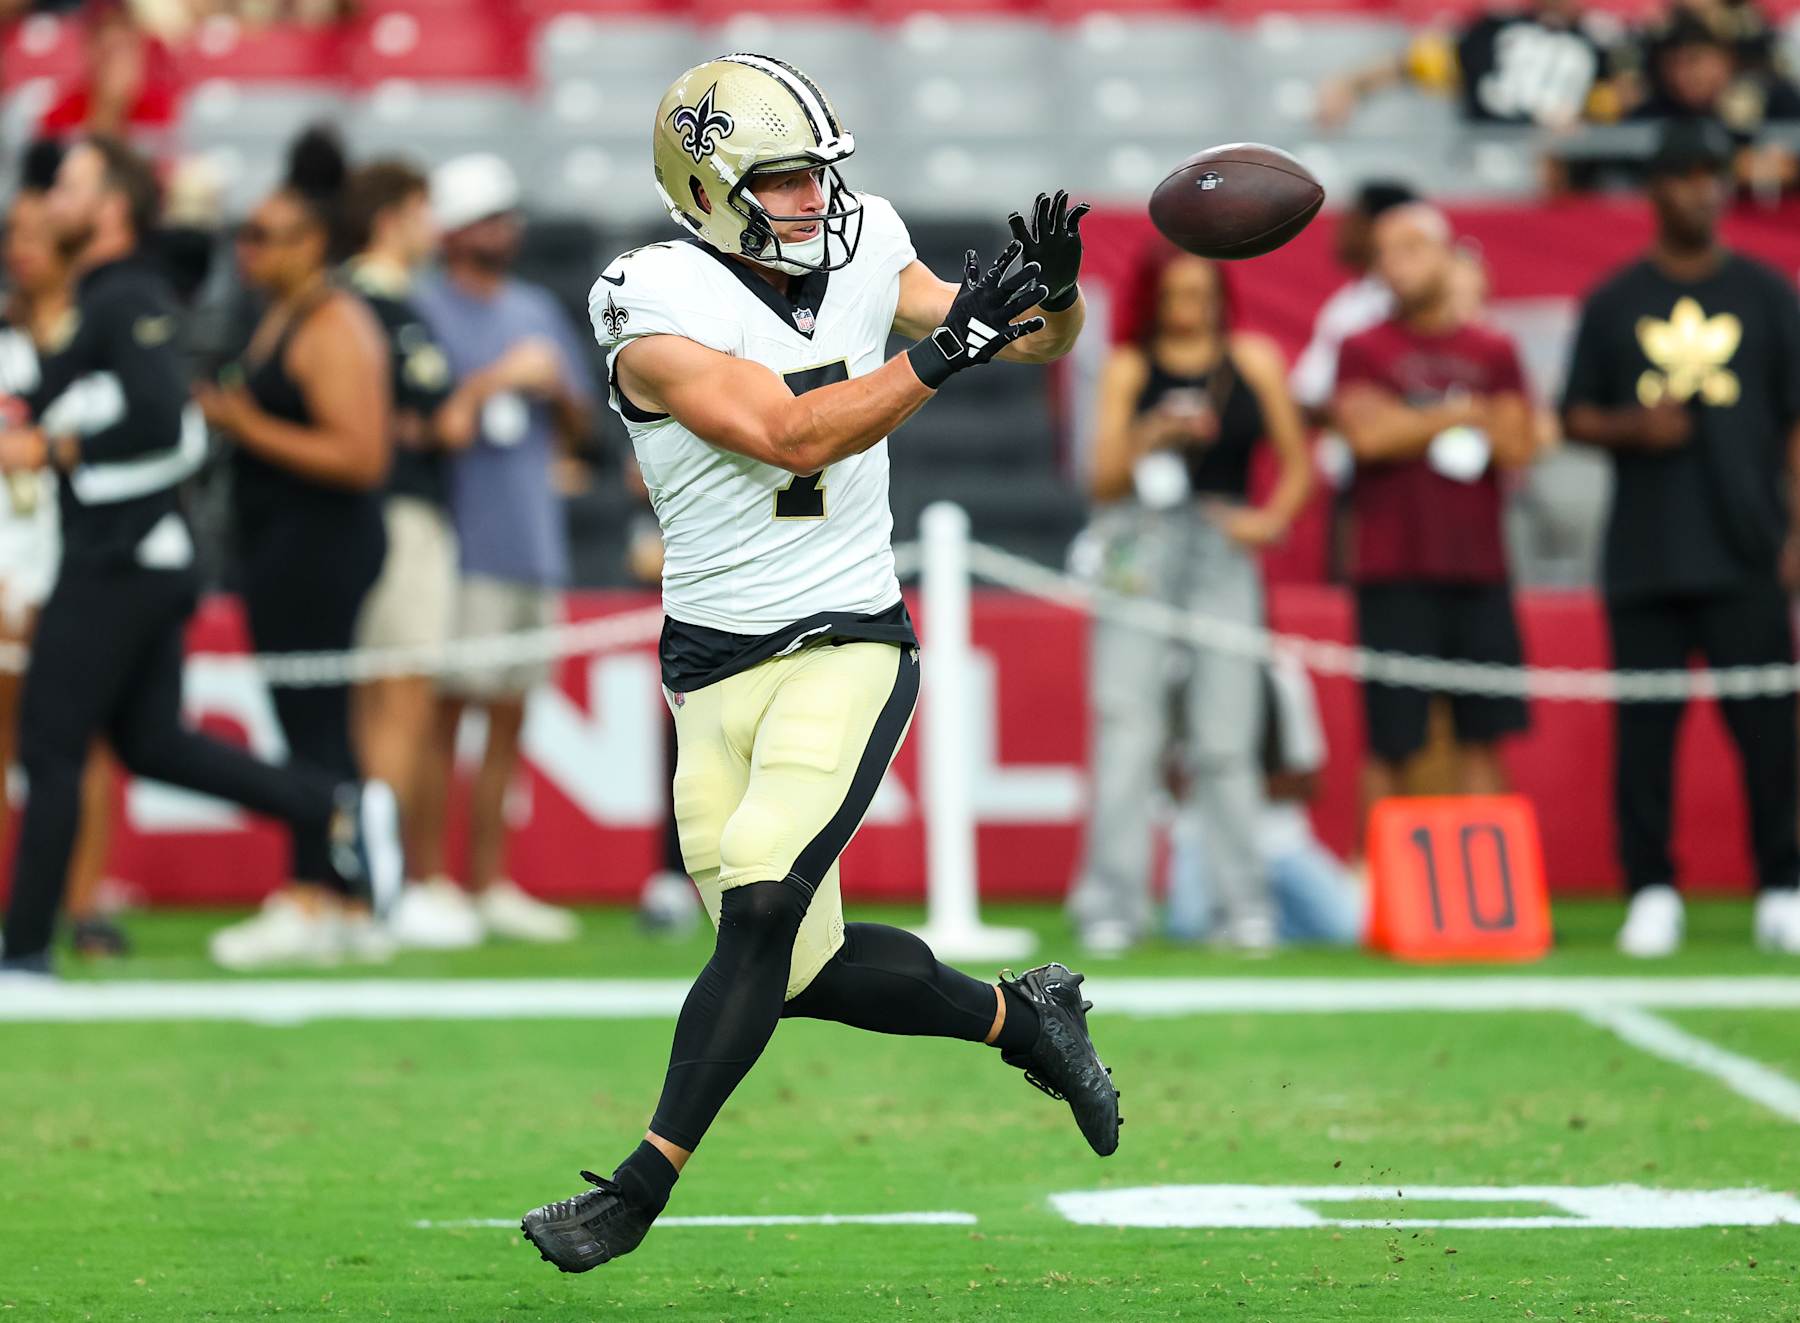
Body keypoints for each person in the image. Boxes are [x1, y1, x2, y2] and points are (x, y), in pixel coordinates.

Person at [517, 54, 1119, 1273]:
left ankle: (636, 1190)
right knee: (795, 967)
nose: (816, 202)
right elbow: (780, 428)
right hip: (710, 667)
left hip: (845, 635)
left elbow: (1029, 346)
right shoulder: (646, 298)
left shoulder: (865, 241)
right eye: (786, 181)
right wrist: (950, 346)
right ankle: (1025, 1018)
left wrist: (1054, 298)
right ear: (710, 185)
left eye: (818, 177)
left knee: (758, 900)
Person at [0, 135, 399, 977]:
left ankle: (26, 947)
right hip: (136, 556)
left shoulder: (126, 293)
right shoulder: (110, 292)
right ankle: (328, 801)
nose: (46, 202)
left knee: (51, 742)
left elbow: (163, 421)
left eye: (68, 187)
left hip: (122, 556)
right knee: (152, 742)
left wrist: (51, 447)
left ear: (110, 204)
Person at [1560, 118, 1800, 956]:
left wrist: (1797, 531)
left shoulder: (1770, 296)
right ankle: (1652, 889)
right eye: (1686, 175)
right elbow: (1573, 415)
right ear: (1656, 189)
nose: (1703, 190)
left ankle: (1783, 884)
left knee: (1771, 731)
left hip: (1749, 547)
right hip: (1647, 553)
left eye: (1714, 175)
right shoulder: (1615, 300)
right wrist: (1634, 426)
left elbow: (1797, 426)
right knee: (1647, 736)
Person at [1069, 242, 1311, 953]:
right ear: (1155, 300)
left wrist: (1268, 520)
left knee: (1228, 736)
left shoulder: (1254, 360)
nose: (1191, 309)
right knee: (1127, 727)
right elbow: (1101, 478)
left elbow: (1296, 464)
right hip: (1135, 543)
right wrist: (1153, 431)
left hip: (1219, 541)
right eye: (1177, 295)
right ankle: (1111, 904)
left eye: (1202, 294)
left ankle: (1243, 906)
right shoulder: (1129, 368)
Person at [195, 128, 397, 968]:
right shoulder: (283, 312)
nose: (247, 250)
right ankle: (341, 896)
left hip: (321, 545)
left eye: (264, 236)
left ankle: (317, 891)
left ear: (313, 243)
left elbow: (361, 455)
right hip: (287, 543)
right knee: (307, 725)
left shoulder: (333, 320)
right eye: (243, 234)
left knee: (312, 725)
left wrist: (247, 424)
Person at [401, 153, 592, 948]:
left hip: (531, 543)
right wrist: (490, 384)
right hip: (462, 542)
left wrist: (553, 390)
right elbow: (424, 429)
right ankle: (427, 882)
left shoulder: (536, 307)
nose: (504, 230)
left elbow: (580, 427)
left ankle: (489, 883)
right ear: (452, 231)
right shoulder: (424, 308)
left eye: (506, 217)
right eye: (486, 218)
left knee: (510, 721)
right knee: (441, 721)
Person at [1331, 203, 1539, 839]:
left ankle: (1491, 894)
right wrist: (1456, 413)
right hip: (1392, 566)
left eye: (1413, 248)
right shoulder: (1361, 347)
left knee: (1485, 735)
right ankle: (1380, 893)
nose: (1397, 264)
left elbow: (1515, 443)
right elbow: (1366, 437)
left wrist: (1409, 420)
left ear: (1449, 258)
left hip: (1478, 566)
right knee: (1392, 739)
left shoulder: (1493, 347)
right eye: (1386, 252)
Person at [338, 156, 475, 944]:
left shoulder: (387, 303)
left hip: (386, 517)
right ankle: (382, 891)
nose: (435, 231)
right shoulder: (371, 304)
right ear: (391, 216)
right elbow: (421, 418)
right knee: (399, 696)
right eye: (423, 212)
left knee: (385, 697)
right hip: (397, 515)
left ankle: (371, 883)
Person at [0, 143, 122, 958]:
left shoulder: (100, 335)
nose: (21, 246)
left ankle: (80, 903)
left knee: (85, 739)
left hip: (87, 557)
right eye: (13, 232)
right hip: (11, 555)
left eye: (37, 231)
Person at [1316, 0, 1627, 131]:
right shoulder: (1495, 29)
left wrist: (1587, 122)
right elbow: (1414, 63)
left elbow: (1636, 107)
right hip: (1481, 162)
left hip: (1561, 178)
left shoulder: (1605, 43)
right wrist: (1348, 85)